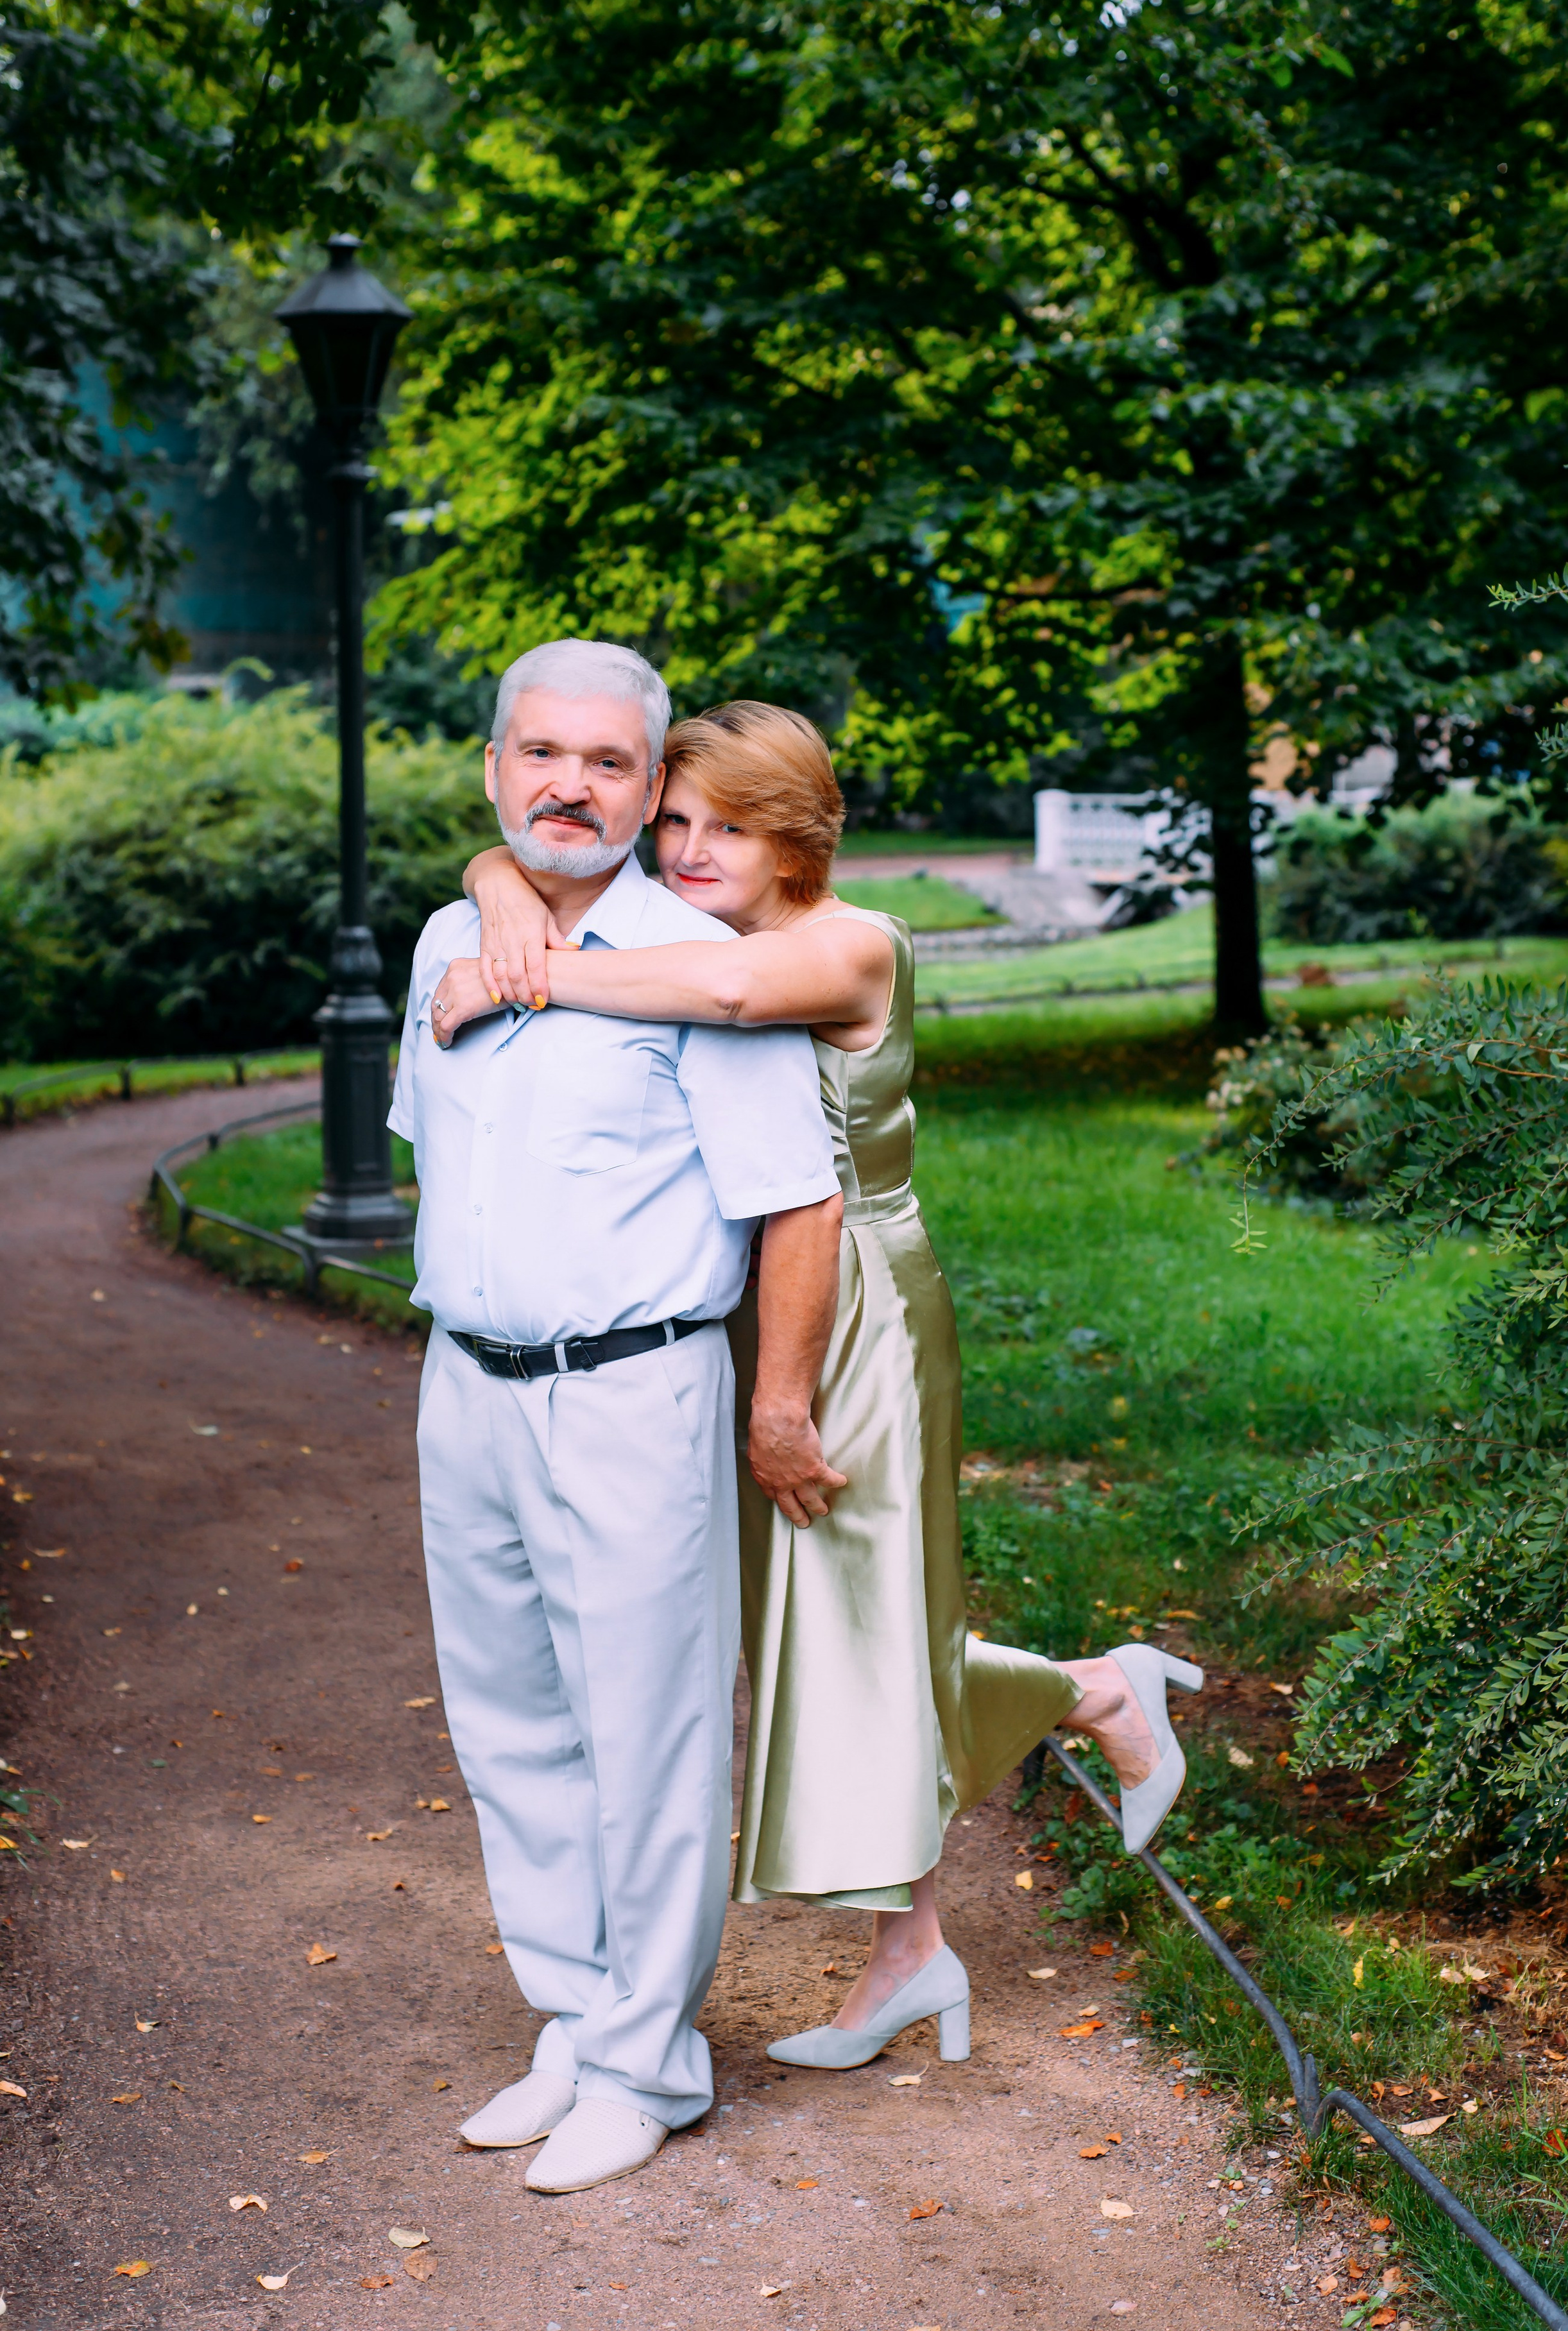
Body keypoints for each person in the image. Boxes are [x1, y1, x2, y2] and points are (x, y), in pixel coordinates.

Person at [432, 699, 1203, 2074]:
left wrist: (519, 971)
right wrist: (500, 883)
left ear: (797, 837)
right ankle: (917, 1942)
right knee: (819, 1619)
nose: (689, 849)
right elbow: (556, 880)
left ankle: (1089, 1695)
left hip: (857, 1305)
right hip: (744, 1299)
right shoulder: (700, 930)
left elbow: (727, 999)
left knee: (866, 1609)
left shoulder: (847, 944)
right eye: (676, 821)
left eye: (728, 826)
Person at [391, 645, 844, 2194]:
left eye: (606, 762)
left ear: (652, 789)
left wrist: (774, 1404)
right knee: (510, 1727)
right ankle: (577, 2022)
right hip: (464, 1383)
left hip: (633, 1387)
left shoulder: (697, 961)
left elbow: (794, 1199)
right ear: (493, 768)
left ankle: (649, 2065)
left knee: (647, 1737)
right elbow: (434, 1154)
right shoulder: (447, 937)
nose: (568, 786)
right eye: (540, 753)